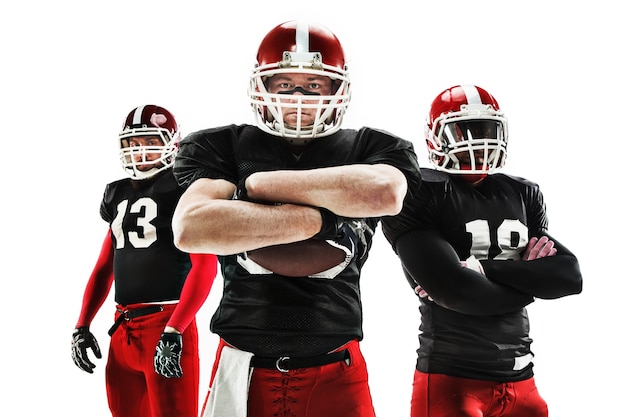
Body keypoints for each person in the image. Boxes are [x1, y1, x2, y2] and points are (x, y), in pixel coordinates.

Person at [171, 21, 421, 417]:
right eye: (284, 85)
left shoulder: (371, 146)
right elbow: (192, 227)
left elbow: (384, 193)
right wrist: (317, 221)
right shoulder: (222, 144)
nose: (300, 98)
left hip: (336, 364)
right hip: (243, 367)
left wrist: (258, 187)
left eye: (314, 86)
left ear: (339, 90)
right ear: (262, 88)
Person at [381, 84, 583, 417]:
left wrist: (483, 270)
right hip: (453, 378)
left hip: (522, 378)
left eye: (486, 129)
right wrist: (530, 282)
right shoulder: (421, 192)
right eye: (465, 130)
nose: (478, 140)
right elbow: (457, 291)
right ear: (436, 137)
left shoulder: (522, 192)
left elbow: (569, 276)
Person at [70, 104, 218, 417]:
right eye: (133, 144)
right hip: (122, 327)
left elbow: (206, 267)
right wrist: (82, 324)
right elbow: (104, 266)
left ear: (172, 142)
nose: (140, 151)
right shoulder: (117, 193)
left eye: (149, 142)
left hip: (165, 322)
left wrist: (175, 329)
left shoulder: (184, 188)